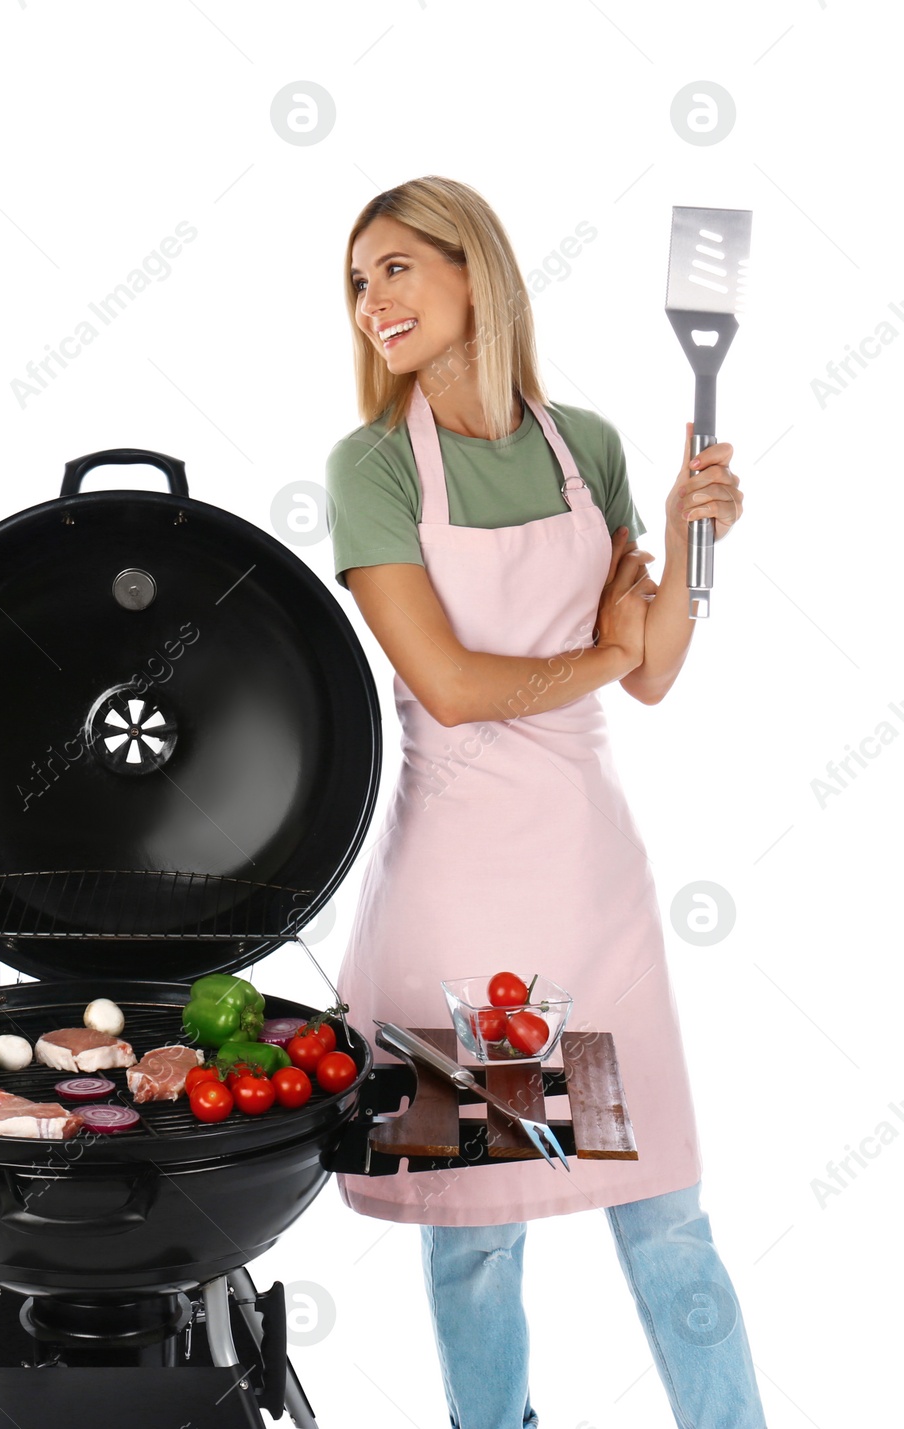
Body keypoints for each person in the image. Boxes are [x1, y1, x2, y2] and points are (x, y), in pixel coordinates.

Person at [325, 177, 765, 1428]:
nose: (372, 304)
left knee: (665, 1212)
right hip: (459, 899)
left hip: (588, 886)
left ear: (477, 272)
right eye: (358, 283)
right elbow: (454, 689)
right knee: (474, 1228)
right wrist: (609, 653)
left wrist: (687, 543)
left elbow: (657, 669)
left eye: (396, 269)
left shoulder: (590, 445)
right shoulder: (368, 468)